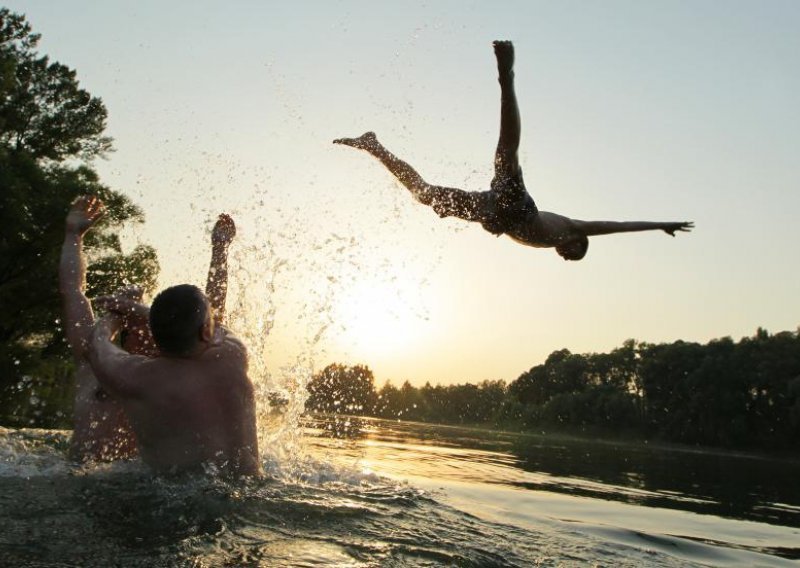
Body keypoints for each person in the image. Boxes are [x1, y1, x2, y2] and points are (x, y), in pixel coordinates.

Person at [334, 40, 693, 261]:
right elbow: (618, 226)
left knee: (424, 195)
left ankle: (374, 145)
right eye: (575, 252)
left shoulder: (551, 244)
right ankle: (507, 77)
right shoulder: (573, 227)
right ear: (577, 241)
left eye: (569, 257)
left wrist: (494, 224)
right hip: (514, 204)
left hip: (490, 210)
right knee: (506, 150)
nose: (568, 256)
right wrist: (660, 225)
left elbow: (510, 231)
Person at [59, 195, 238, 462]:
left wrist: (220, 250)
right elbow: (73, 292)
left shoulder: (173, 373)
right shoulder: (95, 361)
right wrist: (74, 235)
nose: (146, 333)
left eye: (148, 325)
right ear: (124, 333)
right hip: (79, 480)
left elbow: (210, 318)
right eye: (137, 326)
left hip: (135, 486)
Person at [87, 245, 261, 477]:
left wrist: (113, 317)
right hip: (249, 493)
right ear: (204, 333)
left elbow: (97, 346)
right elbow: (216, 325)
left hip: (175, 501)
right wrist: (220, 247)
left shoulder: (137, 377)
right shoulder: (232, 357)